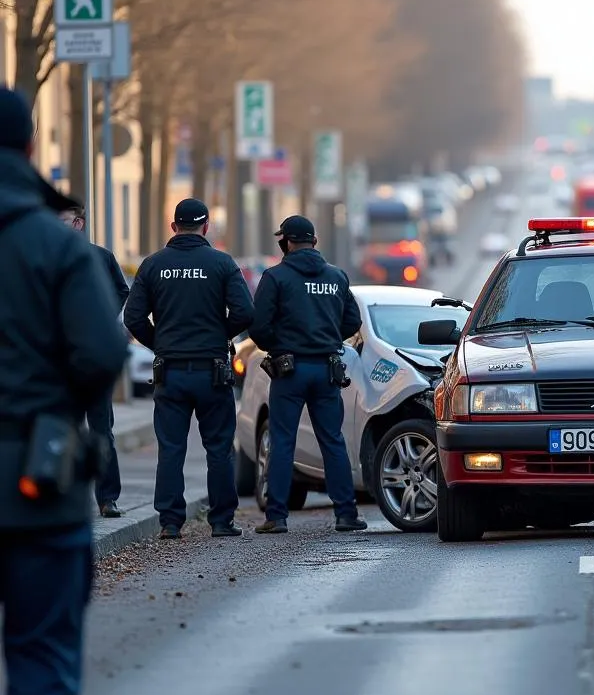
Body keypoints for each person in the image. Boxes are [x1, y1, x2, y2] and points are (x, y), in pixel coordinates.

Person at [0, 87, 128, 695]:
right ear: (25, 152)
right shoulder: (57, 246)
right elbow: (104, 352)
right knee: (42, 659)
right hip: (36, 478)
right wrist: (54, 406)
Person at [123, 198, 254, 539]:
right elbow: (244, 312)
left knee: (171, 447)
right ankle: (222, 521)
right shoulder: (222, 264)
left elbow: (134, 317)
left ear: (174, 226)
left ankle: (170, 522)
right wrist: (218, 336)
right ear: (206, 226)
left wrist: (160, 343)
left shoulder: (153, 266)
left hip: (171, 371)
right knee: (219, 447)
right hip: (212, 370)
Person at [249, 215, 366, 534]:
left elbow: (258, 326)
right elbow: (352, 322)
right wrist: (327, 339)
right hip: (327, 368)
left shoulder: (275, 277)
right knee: (332, 441)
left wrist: (280, 346)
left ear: (285, 242)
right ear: (314, 242)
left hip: (289, 371)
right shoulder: (337, 277)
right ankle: (346, 514)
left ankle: (276, 517)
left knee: (283, 441)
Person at [58, 204, 130, 518]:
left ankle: (108, 498)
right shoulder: (47, 255)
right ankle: (66, 497)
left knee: (102, 431)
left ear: (78, 223)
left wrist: (99, 318)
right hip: (59, 361)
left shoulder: (100, 257)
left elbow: (121, 290)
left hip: (92, 360)